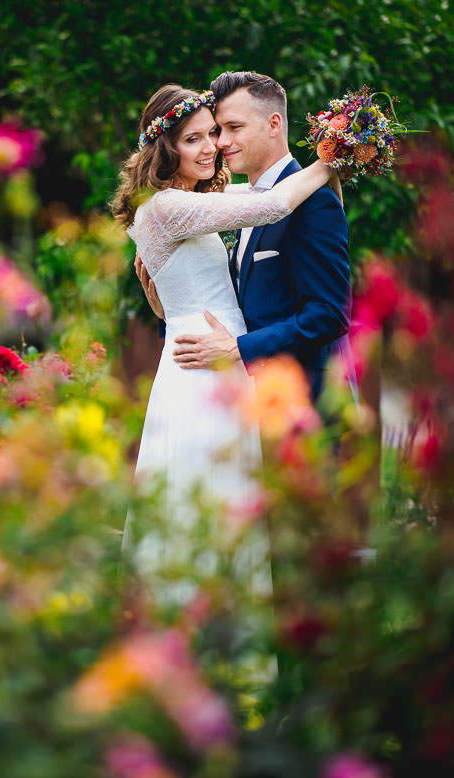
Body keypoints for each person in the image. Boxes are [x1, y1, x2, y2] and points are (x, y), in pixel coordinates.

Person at [112, 83, 338, 594]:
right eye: (193, 139)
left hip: (216, 359)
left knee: (229, 502)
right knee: (212, 502)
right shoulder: (168, 207)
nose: (211, 146)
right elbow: (275, 204)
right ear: (165, 147)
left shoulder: (189, 201)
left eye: (214, 133)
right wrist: (335, 157)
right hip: (203, 370)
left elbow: (264, 193)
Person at [138, 71, 352, 406]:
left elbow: (328, 314)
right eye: (215, 131)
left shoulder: (313, 200)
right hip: (236, 398)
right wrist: (172, 315)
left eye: (230, 128)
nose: (219, 143)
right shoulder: (235, 205)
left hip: (302, 406)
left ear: (274, 124)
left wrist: (239, 349)